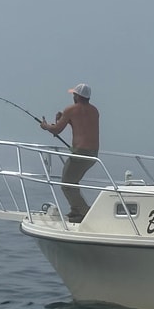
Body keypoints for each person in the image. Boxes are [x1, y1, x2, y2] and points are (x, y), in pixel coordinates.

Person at [40, 83, 100, 223]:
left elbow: (56, 130)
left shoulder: (71, 109)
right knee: (73, 182)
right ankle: (76, 210)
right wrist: (65, 119)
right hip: (93, 154)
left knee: (67, 183)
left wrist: (45, 126)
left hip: (80, 153)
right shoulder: (94, 111)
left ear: (78, 96)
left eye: (74, 94)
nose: (73, 96)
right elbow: (82, 126)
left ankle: (85, 212)